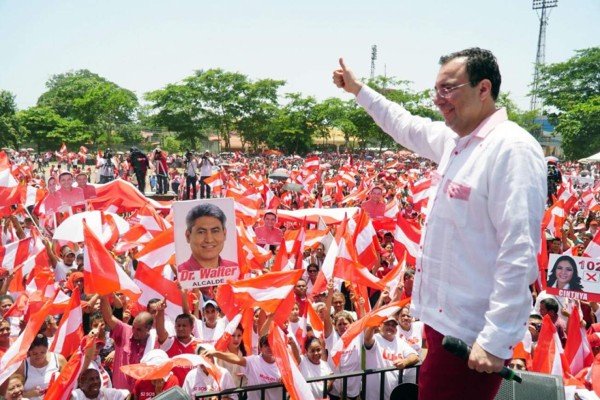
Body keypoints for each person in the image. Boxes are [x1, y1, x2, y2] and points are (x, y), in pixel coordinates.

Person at [333, 47, 546, 400]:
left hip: (472, 339)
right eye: (437, 91)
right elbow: (403, 124)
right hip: (443, 326)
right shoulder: (455, 142)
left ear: (483, 89)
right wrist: (358, 90)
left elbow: (520, 252)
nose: (438, 100)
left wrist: (494, 340)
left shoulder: (512, 149)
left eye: (448, 89)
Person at [99, 296, 157, 392]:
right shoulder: (124, 330)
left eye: (139, 329)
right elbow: (109, 317)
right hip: (120, 395)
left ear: (148, 329)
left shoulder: (154, 341)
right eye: (134, 327)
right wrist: (104, 296)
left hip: (141, 394)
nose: (134, 331)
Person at [364, 315, 420, 400]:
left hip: (393, 392)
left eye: (393, 325)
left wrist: (405, 361)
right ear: (380, 326)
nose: (390, 327)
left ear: (396, 330)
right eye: (387, 324)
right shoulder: (375, 338)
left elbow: (415, 356)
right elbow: (367, 339)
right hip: (374, 394)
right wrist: (372, 327)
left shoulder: (399, 342)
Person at [177, 203, 237, 273]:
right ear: (188, 236)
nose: (209, 240)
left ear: (224, 234)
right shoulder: (177, 274)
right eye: (201, 232)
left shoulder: (236, 271)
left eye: (215, 231)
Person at [16, 334, 67, 400]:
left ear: (47, 349)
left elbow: (69, 383)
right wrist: (29, 394)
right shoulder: (22, 366)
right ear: (28, 351)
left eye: (42, 352)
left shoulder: (59, 360)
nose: (39, 356)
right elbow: (13, 393)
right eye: (35, 353)